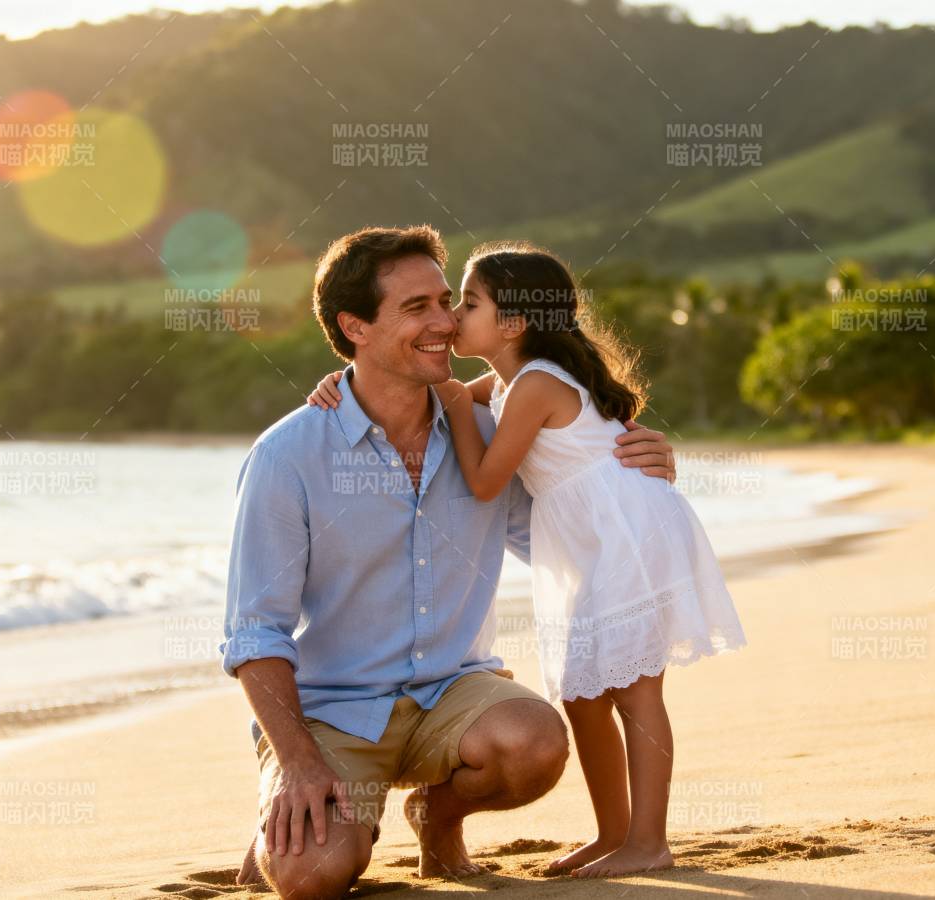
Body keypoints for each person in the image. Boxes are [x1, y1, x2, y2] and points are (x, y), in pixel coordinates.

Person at [224, 225, 678, 899]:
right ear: (355, 326)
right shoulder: (288, 456)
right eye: (418, 309)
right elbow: (255, 632)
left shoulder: (494, 430)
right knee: (311, 876)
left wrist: (645, 471)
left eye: (449, 301)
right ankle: (298, 811)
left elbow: (568, 527)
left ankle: (437, 816)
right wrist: (295, 764)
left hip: (454, 694)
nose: (444, 323)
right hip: (333, 713)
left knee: (536, 742)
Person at [306, 241, 744, 878]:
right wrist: (341, 384)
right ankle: (612, 832)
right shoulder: (513, 379)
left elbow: (483, 478)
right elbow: (434, 391)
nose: (453, 315)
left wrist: (456, 404)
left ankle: (650, 840)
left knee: (635, 695)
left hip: (624, 540)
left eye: (468, 302)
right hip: (588, 545)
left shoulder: (536, 381)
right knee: (583, 694)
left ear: (513, 324)